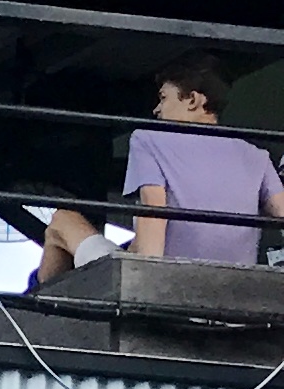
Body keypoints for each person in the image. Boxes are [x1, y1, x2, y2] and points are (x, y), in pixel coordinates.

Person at [36, 51, 282, 284]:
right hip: (236, 286)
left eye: (163, 98)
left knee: (62, 220)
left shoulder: (149, 140)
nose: (156, 109)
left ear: (193, 100)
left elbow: (154, 212)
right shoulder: (257, 156)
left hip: (163, 282)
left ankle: (42, 306)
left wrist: (144, 284)